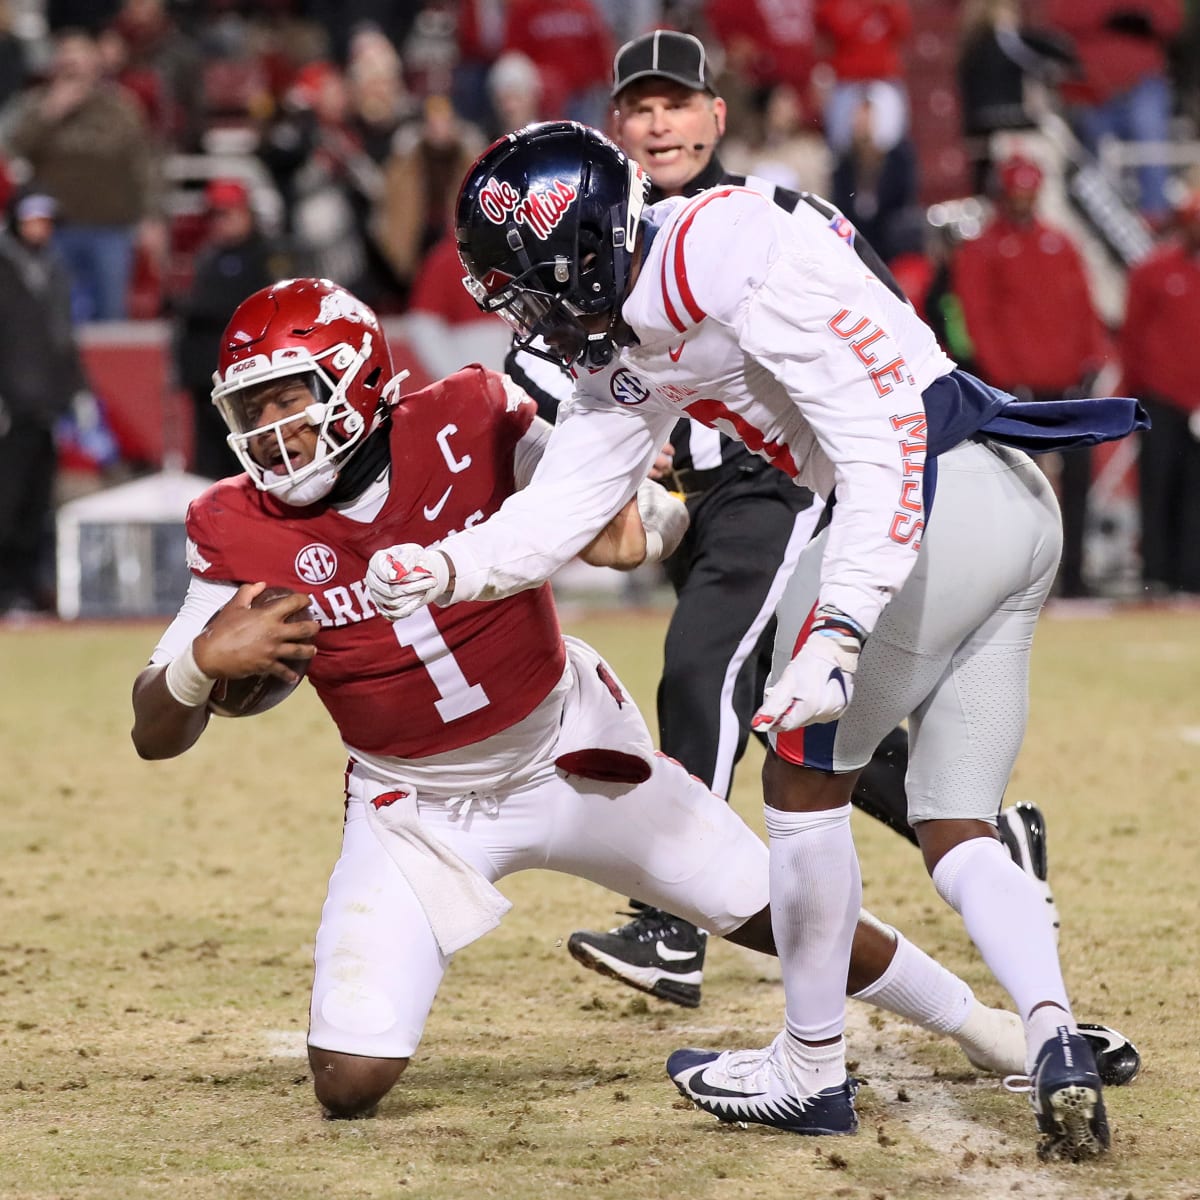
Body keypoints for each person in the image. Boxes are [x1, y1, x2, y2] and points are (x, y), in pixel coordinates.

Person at [373, 122, 1148, 1157]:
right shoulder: (644, 317)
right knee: (952, 818)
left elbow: (886, 436)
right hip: (1001, 505)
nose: (526, 316)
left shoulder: (715, 248)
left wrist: (838, 626)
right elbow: (571, 500)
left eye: (528, 286)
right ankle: (1050, 1036)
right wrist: (455, 567)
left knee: (799, 782)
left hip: (928, 500)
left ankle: (810, 1063)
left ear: (583, 251)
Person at [130, 276, 1071, 1122]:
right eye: (250, 407)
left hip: (569, 750)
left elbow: (616, 506)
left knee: (773, 909)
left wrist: (648, 523)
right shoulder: (231, 527)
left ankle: (986, 1027)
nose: (269, 429)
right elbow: (153, 733)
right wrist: (200, 665)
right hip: (410, 802)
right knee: (348, 1081)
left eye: (287, 397)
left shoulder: (470, 412)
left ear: (359, 379)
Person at [513, 30, 1056, 1012]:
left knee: (702, 670)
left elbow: (885, 339)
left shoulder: (767, 214)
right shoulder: (577, 247)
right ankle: (988, 832)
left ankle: (670, 923)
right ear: (611, 130)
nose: (659, 122)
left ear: (717, 117)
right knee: (777, 706)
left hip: (777, 488)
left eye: (677, 103)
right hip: (692, 497)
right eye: (639, 107)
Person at [951, 155, 1113, 598]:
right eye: (1016, 194)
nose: (1023, 202)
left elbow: (1084, 308)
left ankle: (1075, 575)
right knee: (1021, 492)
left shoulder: (1060, 244)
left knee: (1078, 485)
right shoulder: (982, 250)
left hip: (1068, 388)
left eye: (1029, 193)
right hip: (1018, 395)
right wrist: (1004, 379)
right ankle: (1021, 583)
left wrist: (1092, 360)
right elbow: (978, 320)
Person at [4, 27, 158, 322]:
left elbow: (144, 164)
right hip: (55, 231)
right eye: (66, 59)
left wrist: (150, 216)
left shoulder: (121, 107)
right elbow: (12, 151)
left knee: (111, 314)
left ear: (95, 64)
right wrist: (51, 112)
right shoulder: (36, 105)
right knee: (55, 316)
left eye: (79, 59)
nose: (72, 66)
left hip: (111, 228)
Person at [0, 188, 88, 616]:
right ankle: (6, 591)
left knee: (36, 505)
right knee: (6, 503)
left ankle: (22, 589)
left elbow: (63, 340)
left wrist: (76, 391)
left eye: (46, 220)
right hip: (9, 407)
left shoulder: (53, 269)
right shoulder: (5, 268)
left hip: (45, 407)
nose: (40, 228)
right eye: (33, 219)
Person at [173, 178, 282, 481]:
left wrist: (194, 308)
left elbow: (250, 306)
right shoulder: (209, 256)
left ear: (247, 213)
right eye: (216, 215)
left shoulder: (263, 256)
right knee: (208, 464)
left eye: (229, 213)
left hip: (243, 376)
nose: (222, 222)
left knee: (244, 458)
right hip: (205, 376)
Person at [1120, 186, 1200, 594]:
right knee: (1158, 487)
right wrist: (1135, 392)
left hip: (1195, 400)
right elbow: (1132, 336)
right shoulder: (1153, 271)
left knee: (1195, 494)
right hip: (1162, 398)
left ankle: (1191, 576)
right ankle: (1156, 575)